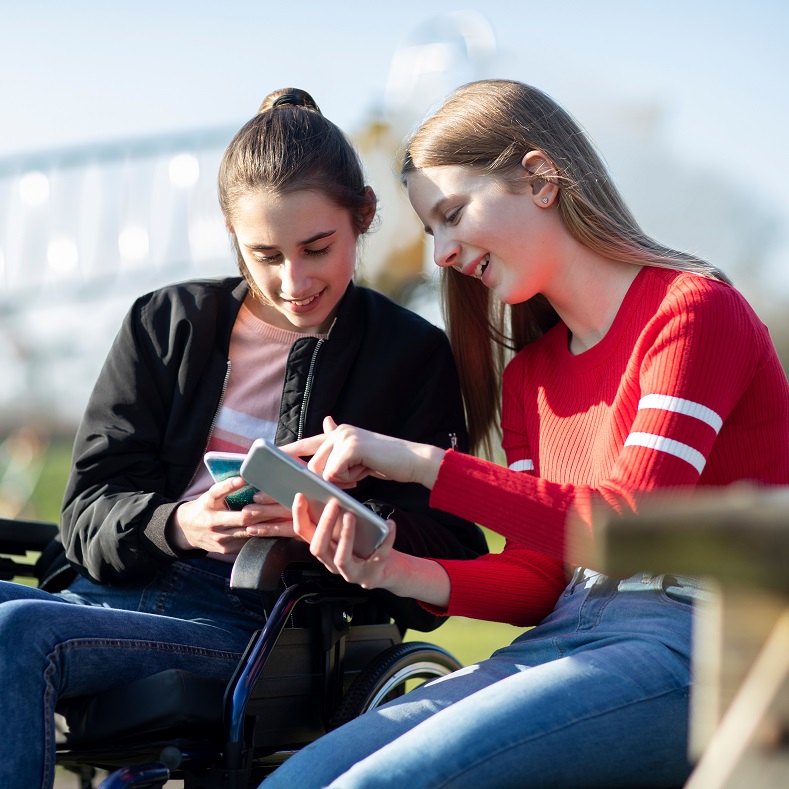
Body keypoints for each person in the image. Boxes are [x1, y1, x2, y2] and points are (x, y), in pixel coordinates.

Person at [262, 79, 789, 789]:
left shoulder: (691, 310)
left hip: (705, 644)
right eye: (431, 231)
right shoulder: (529, 377)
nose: (442, 253)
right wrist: (388, 566)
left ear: (539, 179)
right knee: (295, 779)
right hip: (571, 632)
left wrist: (425, 464)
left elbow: (629, 527)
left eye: (452, 215)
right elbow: (542, 578)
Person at [0, 87, 493, 789]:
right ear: (232, 235)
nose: (293, 281)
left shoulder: (409, 357)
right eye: (264, 254)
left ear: (363, 218)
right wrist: (181, 523)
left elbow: (453, 552)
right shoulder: (163, 324)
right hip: (102, 593)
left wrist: (337, 527)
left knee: (17, 634)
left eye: (316, 248)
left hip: (258, 625)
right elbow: (86, 514)